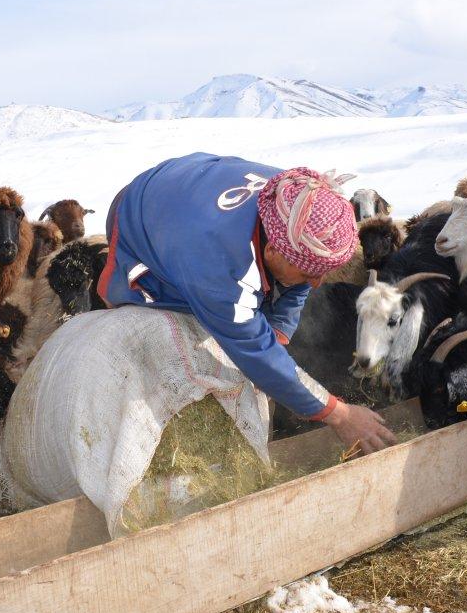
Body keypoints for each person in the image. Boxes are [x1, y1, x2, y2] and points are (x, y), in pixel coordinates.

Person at [99, 152, 396, 454]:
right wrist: (339, 415)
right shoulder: (219, 266)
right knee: (182, 308)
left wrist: (278, 336)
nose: (317, 283)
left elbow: (299, 281)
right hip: (138, 208)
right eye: (309, 273)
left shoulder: (295, 202)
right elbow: (253, 347)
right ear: (271, 252)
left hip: (192, 184)